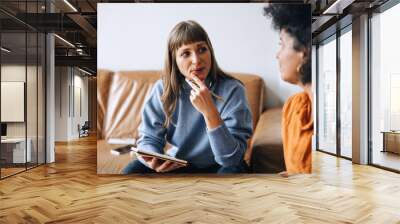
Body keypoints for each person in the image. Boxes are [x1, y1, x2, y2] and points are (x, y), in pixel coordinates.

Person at [122, 20, 253, 174]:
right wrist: (152, 160)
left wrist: (209, 110)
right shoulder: (162, 89)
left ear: (210, 51)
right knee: (132, 170)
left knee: (233, 171)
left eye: (202, 49)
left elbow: (230, 158)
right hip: (180, 164)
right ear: (174, 60)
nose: (197, 60)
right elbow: (149, 139)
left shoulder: (233, 90)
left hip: (222, 165)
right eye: (185, 53)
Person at [264, 4, 313, 176]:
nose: (277, 55)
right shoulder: (294, 106)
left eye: (282, 45)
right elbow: (296, 170)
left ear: (304, 53)